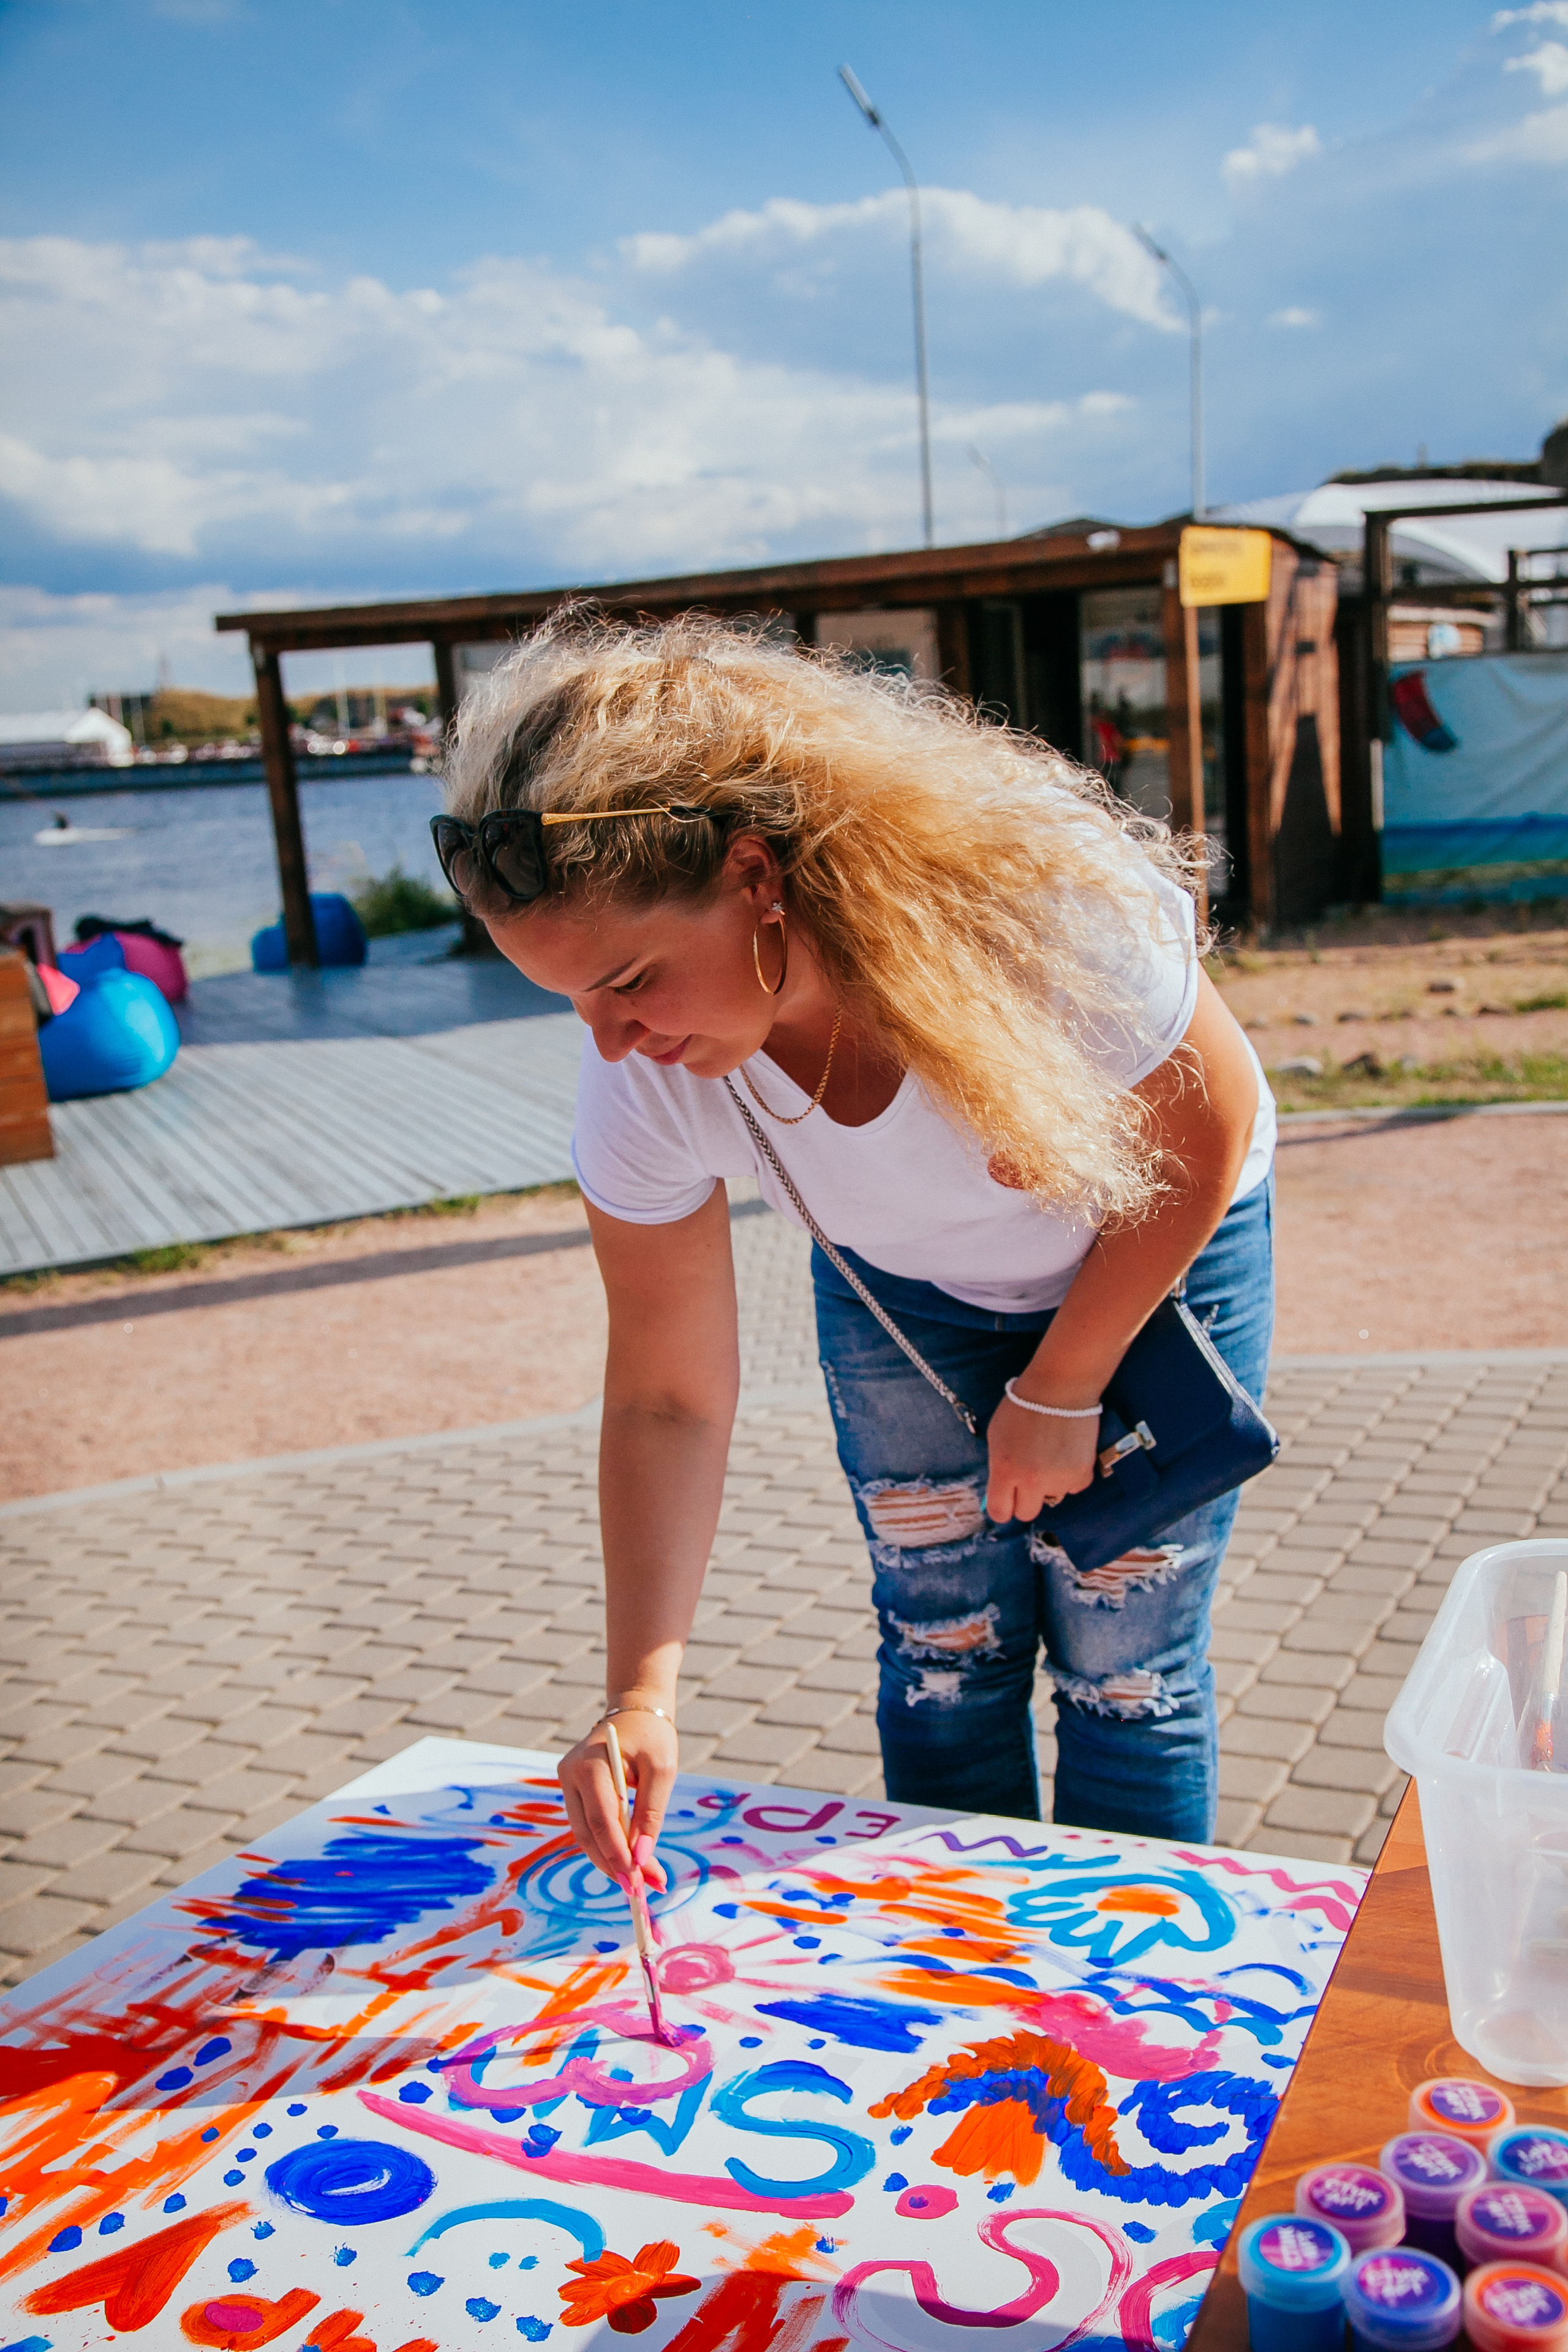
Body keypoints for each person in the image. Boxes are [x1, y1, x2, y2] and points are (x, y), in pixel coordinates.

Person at [431, 613, 1275, 1896]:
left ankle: (1121, 1982)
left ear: (754, 876)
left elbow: (1205, 1130)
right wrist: (639, 1695)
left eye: (631, 979)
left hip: (1152, 1247)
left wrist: (1063, 1386)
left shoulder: (1032, 899)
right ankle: (958, 1967)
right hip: (906, 1290)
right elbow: (665, 1395)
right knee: (944, 1658)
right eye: (573, 1001)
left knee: (1125, 1675)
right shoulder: (643, 1075)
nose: (609, 1042)